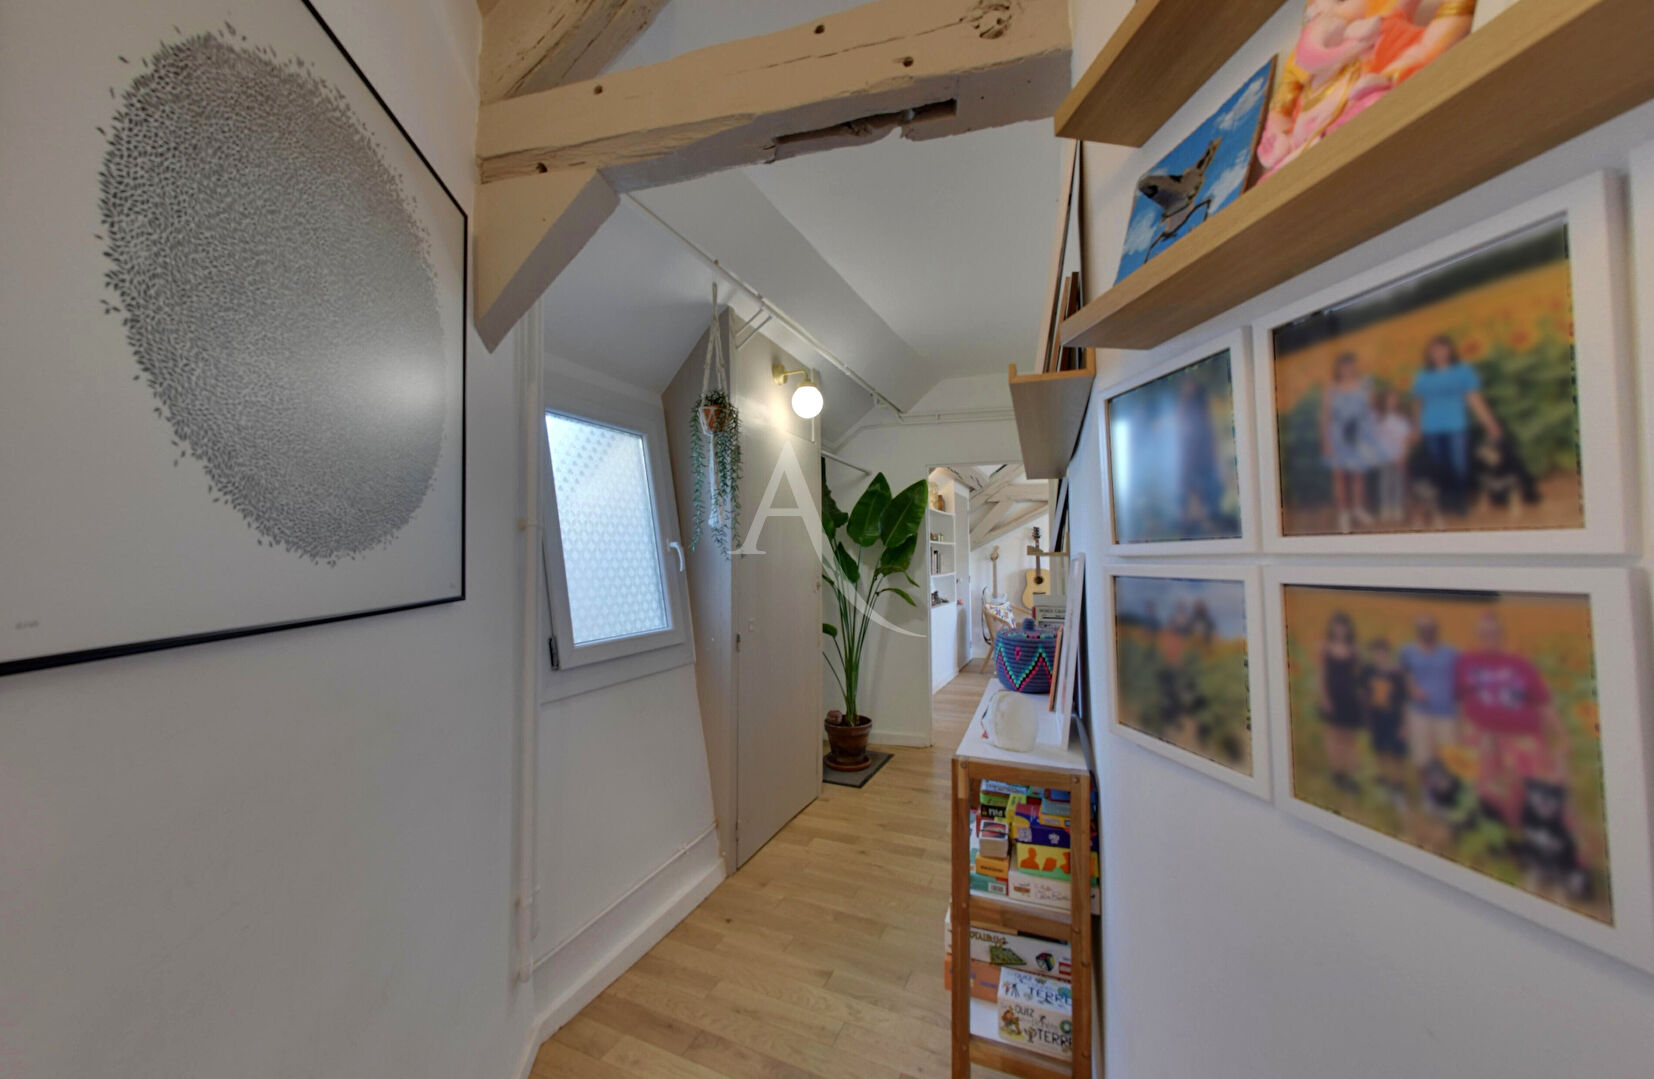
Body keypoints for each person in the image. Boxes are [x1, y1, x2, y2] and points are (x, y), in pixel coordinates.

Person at [1456, 611, 1561, 827]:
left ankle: (1528, 829)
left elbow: (1542, 701)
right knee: (1487, 790)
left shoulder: (1520, 664)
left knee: (1531, 788)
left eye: (1493, 633)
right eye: (1484, 634)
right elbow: (1460, 701)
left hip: (1522, 735)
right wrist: (1462, 735)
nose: (1489, 638)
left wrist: (1560, 735)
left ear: (1501, 635)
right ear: (1477, 636)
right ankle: (1501, 830)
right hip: (1483, 735)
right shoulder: (1467, 662)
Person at [1412, 334, 1503, 517]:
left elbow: (1474, 400)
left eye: (1443, 349)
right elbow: (1417, 403)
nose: (1439, 353)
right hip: (1432, 428)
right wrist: (1417, 427)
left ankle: (1461, 502)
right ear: (1429, 353)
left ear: (1450, 350)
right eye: (1435, 350)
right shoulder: (1423, 375)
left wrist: (1490, 423)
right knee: (1439, 467)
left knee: (1459, 465)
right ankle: (1446, 502)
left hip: (1456, 425)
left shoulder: (1463, 371)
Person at [1321, 352, 1381, 533]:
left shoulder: (1364, 385)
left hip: (1359, 434)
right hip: (1338, 435)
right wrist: (1326, 441)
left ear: (1355, 367)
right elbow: (1325, 416)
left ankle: (1358, 509)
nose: (1347, 369)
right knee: (1339, 475)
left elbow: (1372, 409)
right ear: (1338, 369)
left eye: (1350, 365)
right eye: (1344, 366)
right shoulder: (1332, 388)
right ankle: (1343, 513)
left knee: (1358, 474)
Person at [1400, 615, 1461, 775]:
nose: (1426, 631)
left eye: (1430, 628)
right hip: (1419, 712)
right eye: (1422, 628)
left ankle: (1449, 787)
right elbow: (1404, 675)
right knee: (1421, 756)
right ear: (1417, 631)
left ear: (1436, 630)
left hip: (1446, 712)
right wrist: (1412, 689)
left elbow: (1460, 680)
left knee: (1450, 756)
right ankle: (1426, 788)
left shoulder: (1451, 653)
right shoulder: (1408, 651)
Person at [1318, 611, 1365, 796]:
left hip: (1350, 698)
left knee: (1349, 738)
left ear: (1348, 629)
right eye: (1337, 626)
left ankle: (1351, 776)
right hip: (1333, 697)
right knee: (1333, 736)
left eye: (1343, 626)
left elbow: (1360, 675)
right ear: (1332, 628)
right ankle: (1337, 773)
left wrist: (1362, 695)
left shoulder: (1355, 650)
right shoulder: (1325, 648)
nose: (1340, 630)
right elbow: (1322, 675)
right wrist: (1324, 698)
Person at [1361, 638, 1410, 809]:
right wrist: (1366, 718)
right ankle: (1383, 785)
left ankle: (1398, 790)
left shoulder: (1397, 674)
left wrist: (1404, 724)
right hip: (1376, 720)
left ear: (1388, 653)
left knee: (1397, 756)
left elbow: (1404, 701)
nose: (1379, 656)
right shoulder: (1368, 671)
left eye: (1382, 652)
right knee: (1379, 752)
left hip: (1394, 720)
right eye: (1375, 653)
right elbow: (1363, 693)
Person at [1374, 388, 1414, 523]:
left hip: (1399, 456)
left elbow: (1406, 438)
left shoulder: (1403, 419)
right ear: (1384, 401)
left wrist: (1403, 454)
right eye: (1389, 399)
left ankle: (1397, 507)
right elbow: (1376, 439)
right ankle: (1386, 508)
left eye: (1395, 399)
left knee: (1398, 482)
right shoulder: (1379, 419)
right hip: (1384, 457)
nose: (1392, 402)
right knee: (1385, 482)